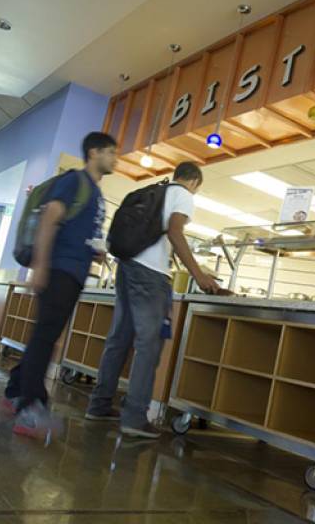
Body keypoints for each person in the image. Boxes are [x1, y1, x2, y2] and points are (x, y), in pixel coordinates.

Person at [85, 162, 220, 438]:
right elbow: (175, 231)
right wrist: (199, 275)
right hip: (151, 274)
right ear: (194, 182)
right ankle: (135, 418)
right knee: (149, 345)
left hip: (127, 266)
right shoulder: (183, 194)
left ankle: (98, 405)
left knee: (119, 338)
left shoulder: (154, 190)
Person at [4, 132, 118, 438]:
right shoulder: (75, 182)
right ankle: (30, 408)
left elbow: (72, 228)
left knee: (46, 335)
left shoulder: (94, 194)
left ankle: (16, 389)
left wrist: (92, 250)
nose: (115, 158)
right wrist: (40, 266)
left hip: (73, 270)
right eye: (110, 152)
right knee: (45, 338)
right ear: (93, 152)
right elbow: (50, 218)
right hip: (59, 270)